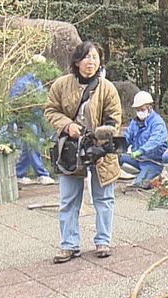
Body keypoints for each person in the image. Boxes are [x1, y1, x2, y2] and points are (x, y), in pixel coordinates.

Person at [44, 41, 122, 262]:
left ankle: (103, 241)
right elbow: (51, 110)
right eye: (87, 57)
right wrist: (67, 126)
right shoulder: (61, 85)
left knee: (104, 198)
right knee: (68, 199)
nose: (91, 62)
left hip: (100, 150)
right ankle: (69, 245)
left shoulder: (107, 88)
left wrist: (101, 135)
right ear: (77, 61)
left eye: (95, 57)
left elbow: (114, 117)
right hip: (70, 148)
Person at [11, 55, 56, 186]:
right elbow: (15, 102)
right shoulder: (23, 82)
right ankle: (42, 174)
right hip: (26, 119)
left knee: (28, 147)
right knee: (32, 145)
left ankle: (19, 173)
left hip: (35, 118)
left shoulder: (37, 81)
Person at [119, 91, 167, 189]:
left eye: (142, 109)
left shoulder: (157, 123)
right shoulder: (135, 122)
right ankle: (139, 174)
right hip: (137, 159)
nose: (140, 112)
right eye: (137, 109)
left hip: (153, 161)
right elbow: (128, 136)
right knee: (116, 159)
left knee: (140, 185)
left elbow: (155, 141)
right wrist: (119, 147)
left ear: (149, 107)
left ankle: (155, 175)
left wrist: (141, 151)